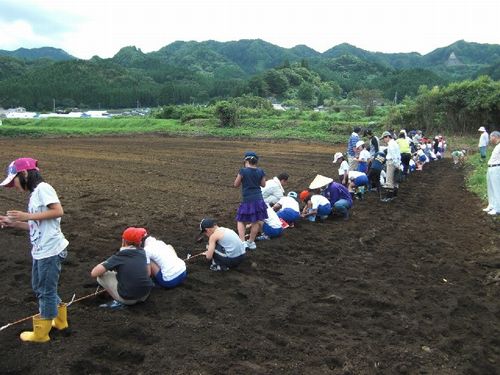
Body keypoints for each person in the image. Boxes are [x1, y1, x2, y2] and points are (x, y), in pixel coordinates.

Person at [0, 158, 69, 343]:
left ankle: (42, 333)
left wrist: (27, 215)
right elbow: (36, 226)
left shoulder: (43, 189)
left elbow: (58, 211)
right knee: (41, 287)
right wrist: (14, 223)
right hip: (42, 250)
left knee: (45, 290)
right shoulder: (35, 194)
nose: (13, 186)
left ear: (24, 174)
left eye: (13, 180)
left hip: (50, 250)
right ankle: (60, 321)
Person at [90, 227, 154, 309]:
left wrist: (106, 263)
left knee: (101, 276)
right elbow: (148, 273)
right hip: (145, 295)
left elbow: (94, 273)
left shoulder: (120, 256)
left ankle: (118, 301)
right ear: (140, 242)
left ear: (123, 241)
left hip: (128, 299)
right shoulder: (143, 253)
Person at [233, 151, 268, 250]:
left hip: (247, 199)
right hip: (259, 199)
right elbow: (263, 185)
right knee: (256, 221)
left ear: (246, 160)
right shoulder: (261, 171)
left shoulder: (243, 171)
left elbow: (236, 184)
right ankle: (251, 242)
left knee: (241, 220)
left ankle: (242, 242)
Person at [483, 131, 500, 215]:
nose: (490, 139)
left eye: (490, 137)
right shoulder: (497, 146)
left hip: (496, 168)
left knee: (496, 188)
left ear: (495, 137)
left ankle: (497, 208)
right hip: (491, 168)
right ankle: (491, 205)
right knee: (490, 188)